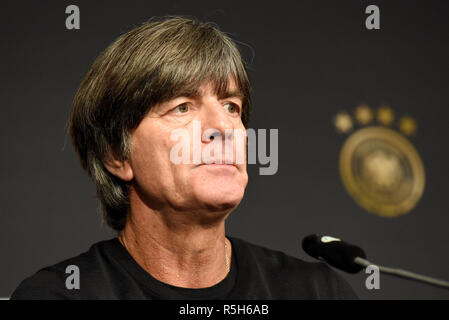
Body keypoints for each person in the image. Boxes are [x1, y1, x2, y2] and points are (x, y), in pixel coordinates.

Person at [11, 16, 357, 300]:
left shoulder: (316, 292)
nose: (222, 126)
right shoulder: (59, 295)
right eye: (182, 107)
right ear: (117, 154)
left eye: (231, 106)